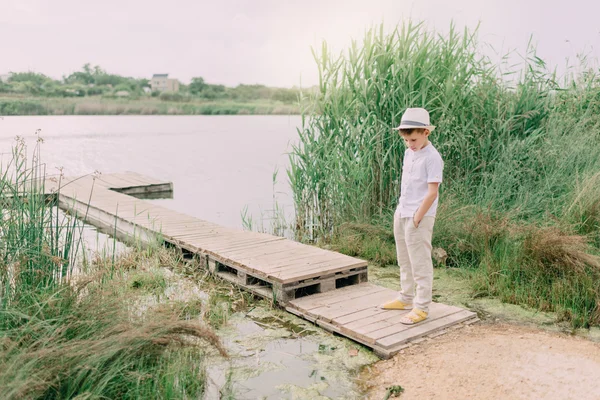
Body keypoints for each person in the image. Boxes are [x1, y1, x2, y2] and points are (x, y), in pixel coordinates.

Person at [379, 107, 444, 325]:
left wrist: (418, 216)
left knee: (420, 262)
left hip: (420, 215)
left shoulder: (432, 157)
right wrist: (401, 211)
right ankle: (406, 298)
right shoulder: (409, 153)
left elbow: (432, 192)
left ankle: (421, 307)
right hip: (403, 211)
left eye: (414, 139)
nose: (410, 144)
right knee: (404, 259)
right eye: (406, 140)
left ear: (426, 132)